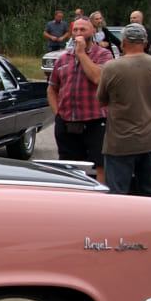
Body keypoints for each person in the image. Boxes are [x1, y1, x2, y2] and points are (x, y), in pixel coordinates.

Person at [96, 23, 151, 197]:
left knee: (118, 194)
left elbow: (102, 100)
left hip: (120, 140)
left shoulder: (112, 67)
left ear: (123, 42)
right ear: (145, 42)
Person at [46, 16, 110, 183]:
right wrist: (57, 114)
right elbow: (52, 88)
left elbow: (98, 78)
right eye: (75, 30)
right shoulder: (63, 58)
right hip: (67, 121)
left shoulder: (104, 55)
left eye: (83, 29)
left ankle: (100, 202)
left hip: (95, 120)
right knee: (69, 167)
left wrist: (81, 54)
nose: (78, 33)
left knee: (101, 164)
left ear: (93, 31)